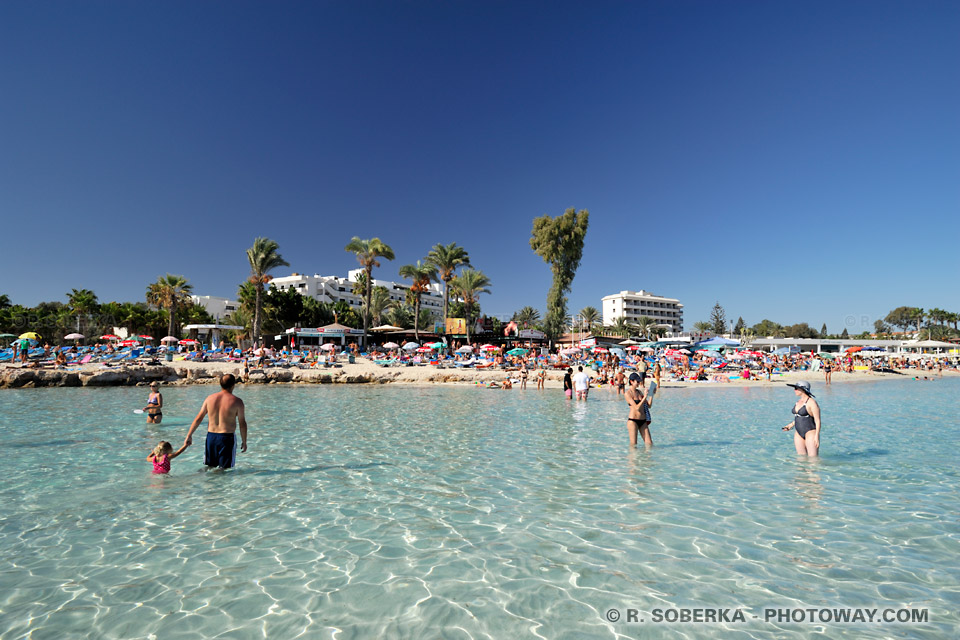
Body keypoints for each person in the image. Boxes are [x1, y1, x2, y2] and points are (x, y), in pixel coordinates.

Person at [184, 374, 248, 469]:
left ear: (220, 384)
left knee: (210, 467)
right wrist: (244, 441)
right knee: (225, 470)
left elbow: (198, 418)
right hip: (227, 438)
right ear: (233, 385)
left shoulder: (209, 399)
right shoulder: (237, 402)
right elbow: (242, 424)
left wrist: (189, 435)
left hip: (211, 437)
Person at [782, 380, 821, 456]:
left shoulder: (812, 403)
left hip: (810, 432)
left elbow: (818, 420)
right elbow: (799, 416)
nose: (794, 390)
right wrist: (791, 425)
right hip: (798, 432)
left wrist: (817, 436)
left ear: (803, 389)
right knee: (801, 459)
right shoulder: (798, 401)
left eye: (796, 388)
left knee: (813, 461)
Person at [626, 372, 652, 446]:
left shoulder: (639, 392)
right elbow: (636, 407)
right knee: (634, 444)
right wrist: (644, 397)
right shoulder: (628, 393)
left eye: (639, 381)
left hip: (643, 420)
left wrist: (651, 396)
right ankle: (632, 457)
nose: (639, 383)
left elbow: (648, 406)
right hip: (633, 421)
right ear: (631, 381)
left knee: (649, 444)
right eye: (637, 382)